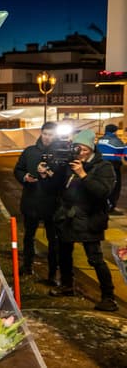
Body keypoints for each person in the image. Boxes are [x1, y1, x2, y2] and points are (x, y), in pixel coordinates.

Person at [45, 129, 118, 312]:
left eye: (82, 149)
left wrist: (83, 174)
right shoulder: (70, 164)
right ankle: (67, 285)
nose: (79, 152)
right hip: (67, 218)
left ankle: (108, 297)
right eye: (76, 147)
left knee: (95, 259)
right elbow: (57, 188)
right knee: (64, 254)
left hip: (89, 219)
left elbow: (102, 192)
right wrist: (48, 173)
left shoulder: (103, 167)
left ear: (90, 149)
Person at [13, 121, 60, 284]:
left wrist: (50, 174)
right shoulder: (30, 152)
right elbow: (18, 169)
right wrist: (24, 177)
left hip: (53, 204)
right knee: (28, 237)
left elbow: (64, 178)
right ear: (41, 133)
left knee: (53, 241)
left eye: (51, 135)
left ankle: (53, 274)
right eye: (45, 134)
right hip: (31, 201)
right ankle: (27, 266)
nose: (47, 138)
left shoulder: (60, 154)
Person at [96, 123, 124, 212]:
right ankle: (111, 206)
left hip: (99, 164)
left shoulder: (100, 140)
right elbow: (124, 151)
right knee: (115, 186)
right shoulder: (116, 141)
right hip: (113, 165)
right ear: (115, 131)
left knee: (101, 184)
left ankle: (100, 205)